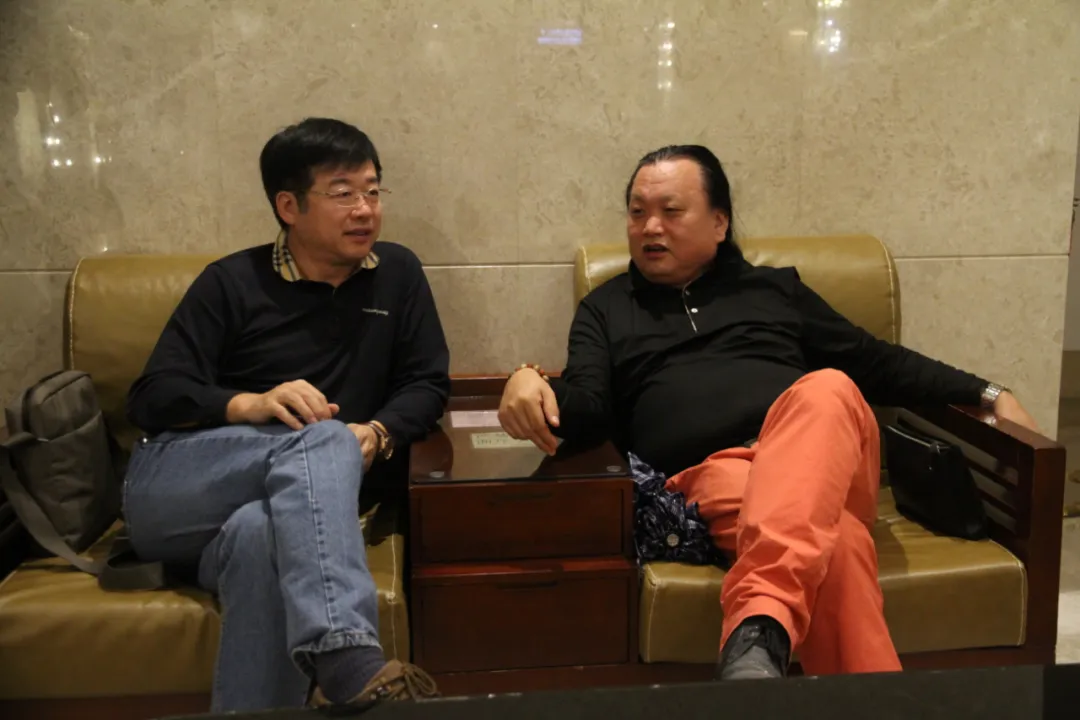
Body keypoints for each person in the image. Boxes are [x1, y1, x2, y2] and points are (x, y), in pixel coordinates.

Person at [498, 144, 1039, 680]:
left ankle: (759, 623)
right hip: (716, 478)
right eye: (637, 212)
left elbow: (878, 362)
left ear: (719, 222)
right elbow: (589, 407)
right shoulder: (606, 309)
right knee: (839, 545)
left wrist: (989, 393)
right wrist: (528, 379)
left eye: (670, 210)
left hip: (822, 457)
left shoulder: (775, 291)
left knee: (828, 387)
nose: (649, 227)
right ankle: (773, 657)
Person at [123, 118, 449, 711]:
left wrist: (378, 433)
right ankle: (348, 655)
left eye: (373, 190)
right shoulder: (230, 283)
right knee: (327, 439)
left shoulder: (397, 274)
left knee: (261, 534)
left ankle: (333, 672)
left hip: (274, 517)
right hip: (175, 492)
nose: (365, 209)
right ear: (289, 206)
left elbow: (427, 383)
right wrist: (248, 404)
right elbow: (152, 395)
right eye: (343, 192)